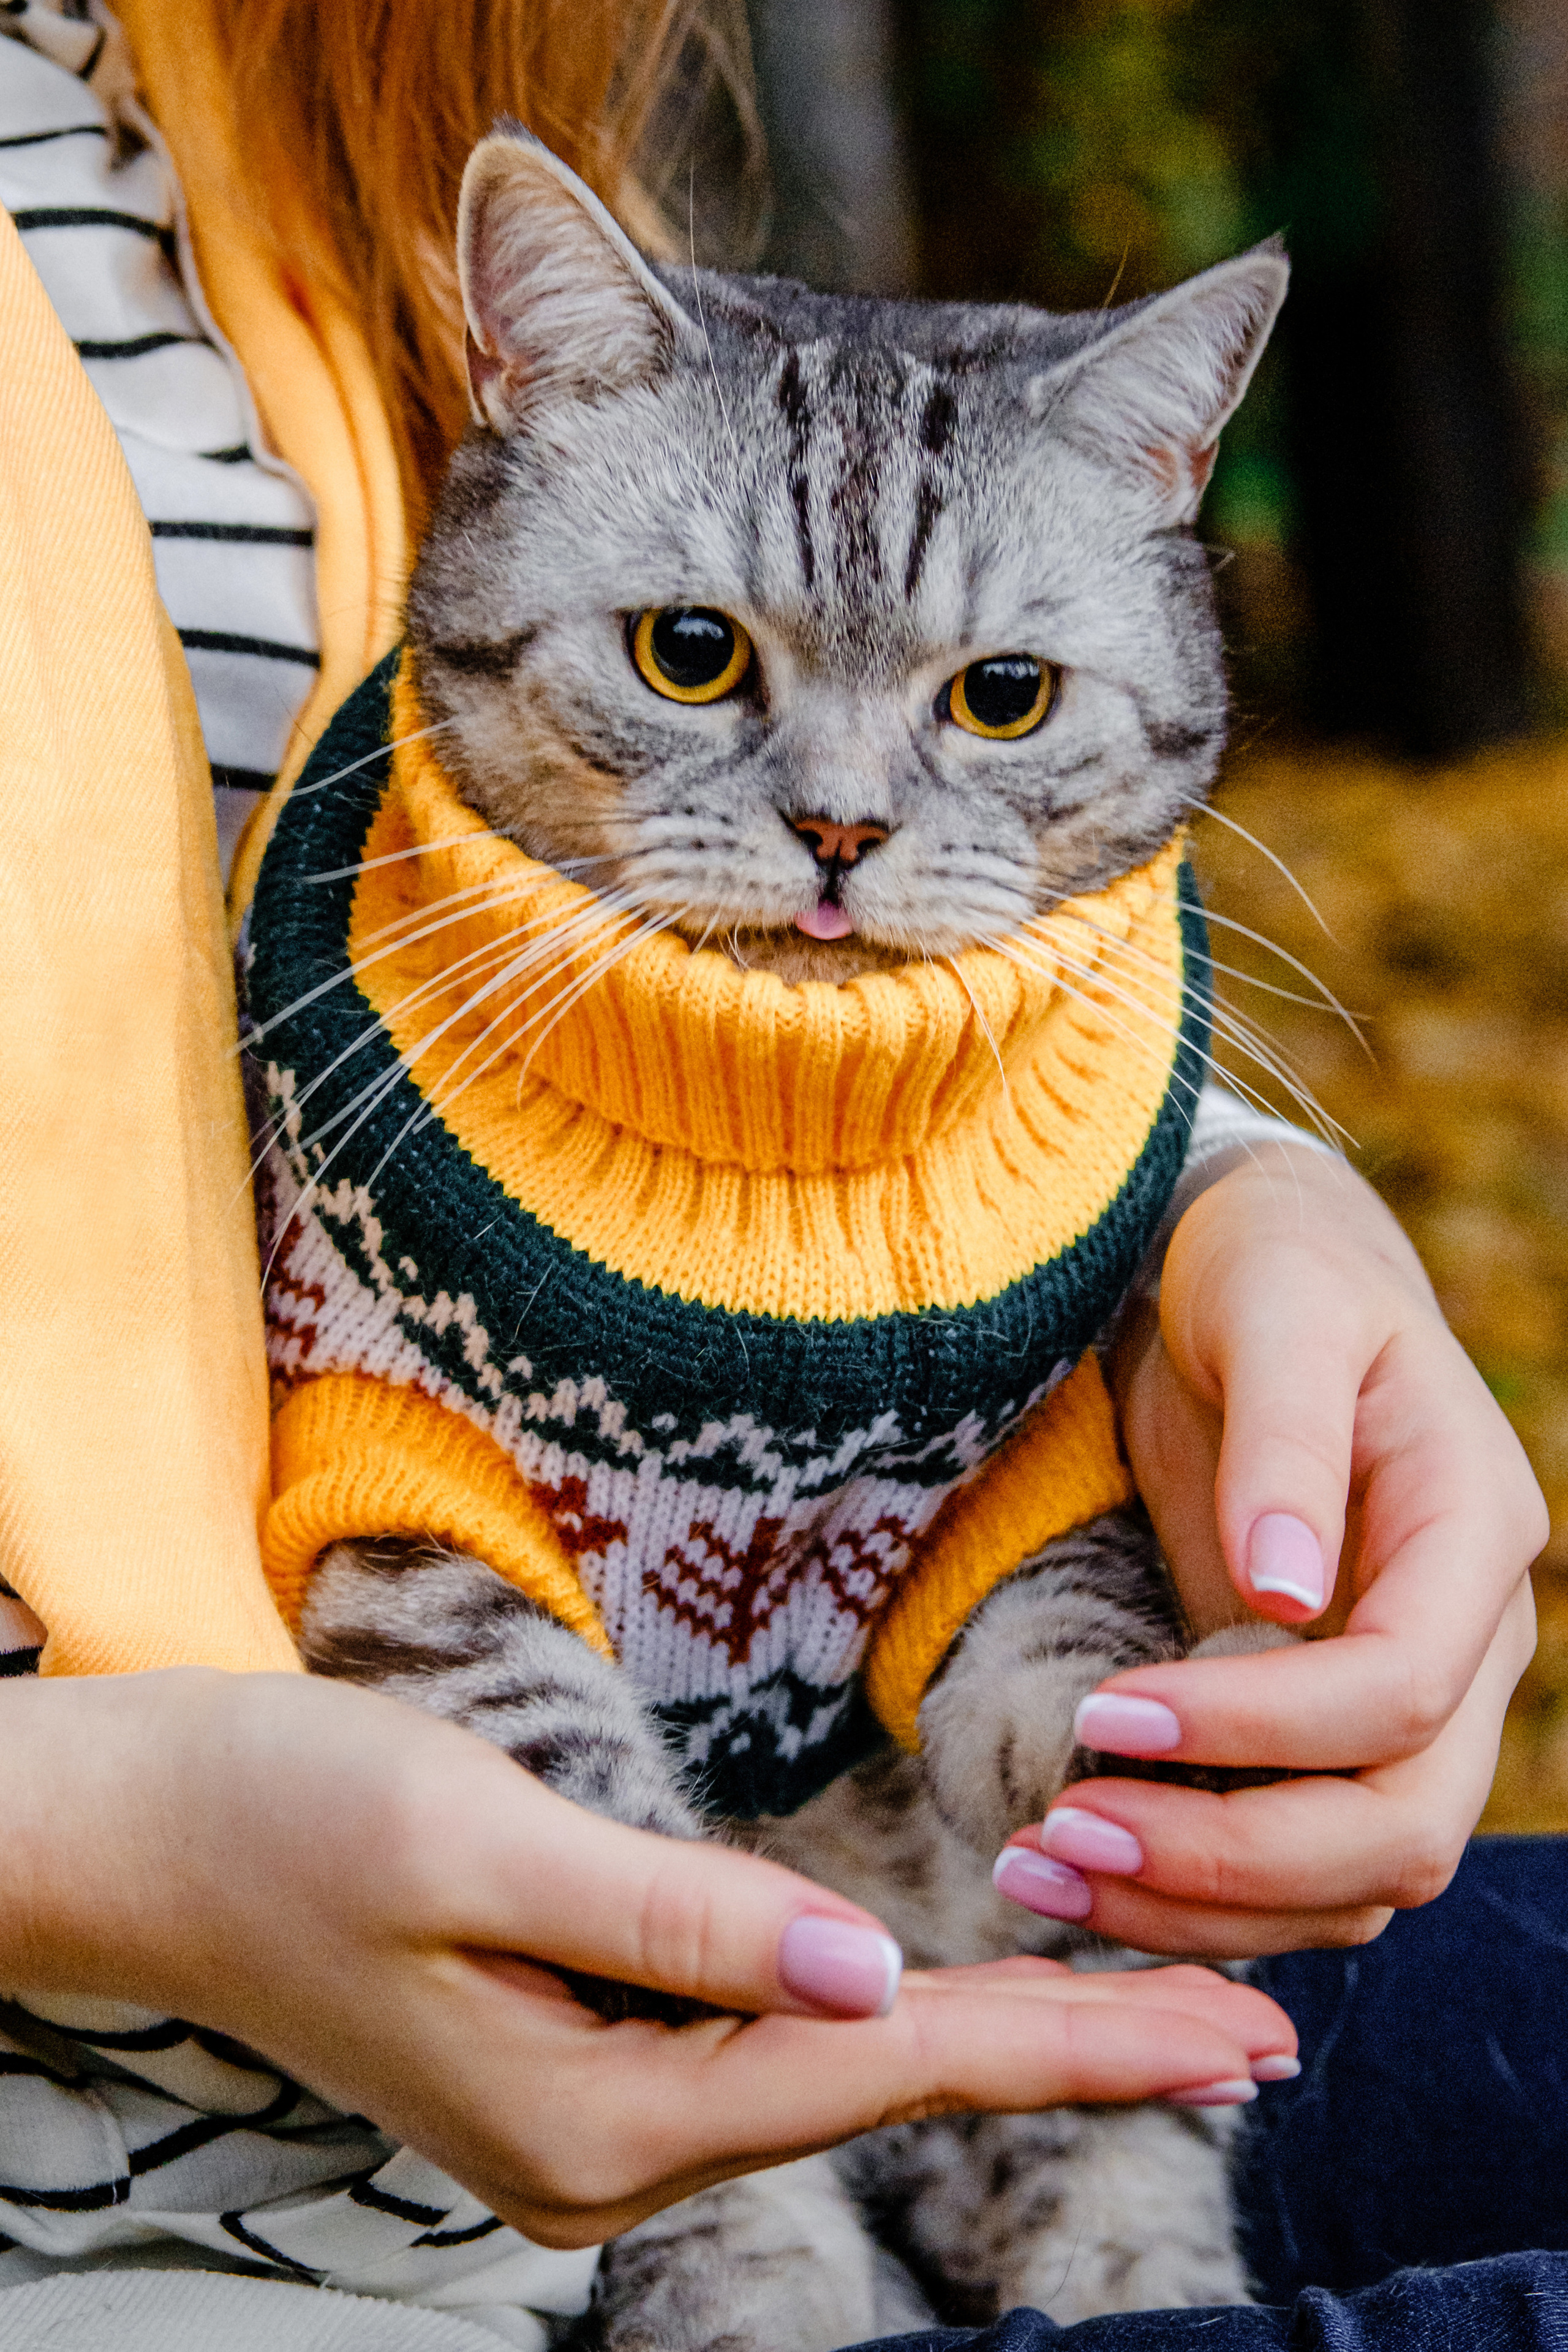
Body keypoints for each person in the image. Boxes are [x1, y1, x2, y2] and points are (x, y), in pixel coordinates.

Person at [0, 1, 1550, 2343]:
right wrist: (86, 1845)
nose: (842, 813)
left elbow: (493, 940)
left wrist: (1205, 1201)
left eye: (991, 699)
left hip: (869, 1853)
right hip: (177, 2206)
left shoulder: (268, 85)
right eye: (702, 653)